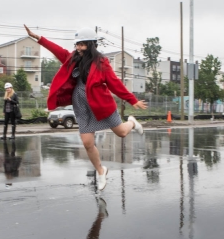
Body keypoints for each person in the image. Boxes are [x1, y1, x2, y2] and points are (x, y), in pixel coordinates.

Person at [24, 25, 147, 191]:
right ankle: (101, 171)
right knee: (88, 143)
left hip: (101, 104)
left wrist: (132, 100)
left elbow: (114, 83)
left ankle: (132, 122)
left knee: (122, 133)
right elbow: (56, 49)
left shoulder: (102, 63)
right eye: (77, 44)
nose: (78, 47)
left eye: (82, 44)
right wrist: (38, 38)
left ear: (91, 44)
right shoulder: (71, 59)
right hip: (81, 104)